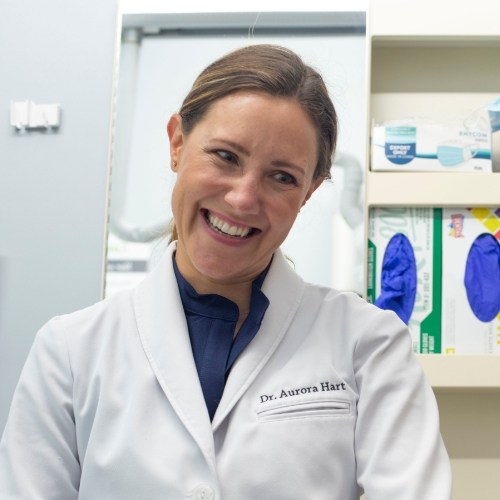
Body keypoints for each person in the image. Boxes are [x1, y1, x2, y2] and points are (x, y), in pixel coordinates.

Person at [0, 44, 451, 499]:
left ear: (309, 191)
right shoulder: (71, 352)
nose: (242, 198)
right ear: (177, 143)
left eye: (282, 177)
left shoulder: (367, 344)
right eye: (225, 156)